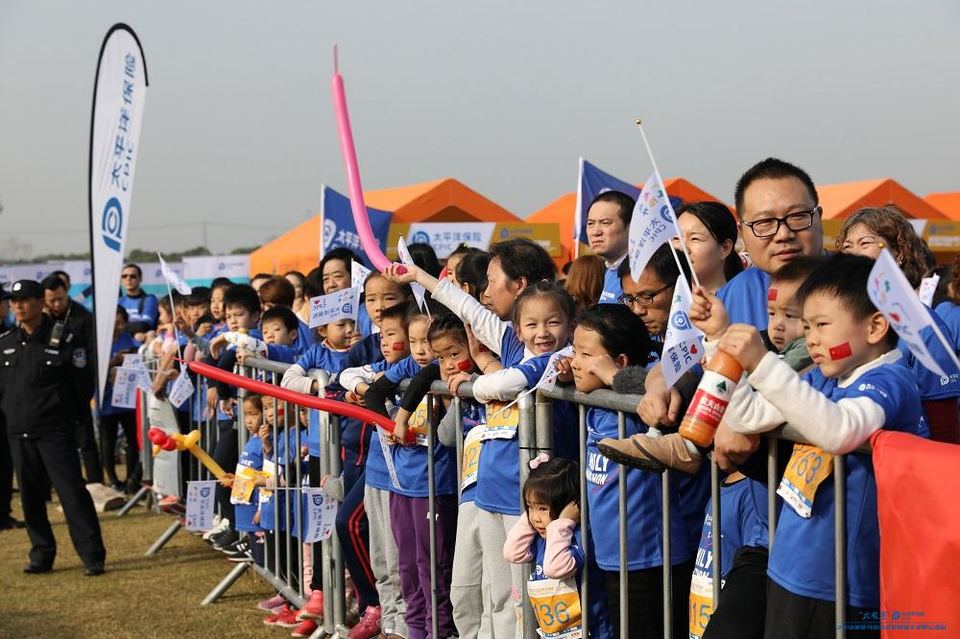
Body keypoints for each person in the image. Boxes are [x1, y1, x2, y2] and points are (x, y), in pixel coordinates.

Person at [716, 254, 928, 639]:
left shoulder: (891, 380)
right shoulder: (825, 376)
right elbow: (746, 416)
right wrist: (720, 341)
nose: (810, 338)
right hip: (789, 567)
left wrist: (762, 364)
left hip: (837, 584)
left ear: (876, 326)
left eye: (822, 325)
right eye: (807, 325)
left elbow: (839, 431)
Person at [569, 304, 692, 638]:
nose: (575, 362)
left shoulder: (638, 403)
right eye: (574, 351)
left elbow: (659, 387)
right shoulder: (596, 401)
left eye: (585, 354)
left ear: (620, 362)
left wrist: (613, 377)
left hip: (651, 561)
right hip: (615, 558)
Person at [0, 280, 106, 575]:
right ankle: (41, 554)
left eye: (24, 300)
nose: (18, 306)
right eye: (14, 301)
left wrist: (68, 419)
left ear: (40, 303)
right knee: (31, 499)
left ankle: (92, 556)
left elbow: (81, 386)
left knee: (72, 495)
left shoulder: (65, 339)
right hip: (19, 432)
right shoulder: (5, 342)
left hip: (55, 432)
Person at [837, 206, 960, 444]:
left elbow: (944, 418)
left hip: (908, 457)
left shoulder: (922, 324)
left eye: (865, 243)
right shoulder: (838, 319)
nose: (853, 253)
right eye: (847, 246)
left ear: (898, 254)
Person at [503, 456, 613, 639]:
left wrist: (562, 522)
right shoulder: (545, 536)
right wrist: (531, 515)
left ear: (567, 508)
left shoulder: (579, 536)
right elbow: (512, 552)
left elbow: (555, 568)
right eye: (530, 507)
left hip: (590, 631)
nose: (535, 518)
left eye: (543, 509)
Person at [42, 274, 102, 484]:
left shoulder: (82, 317)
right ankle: (60, 482)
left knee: (86, 439)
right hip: (49, 391)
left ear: (66, 293)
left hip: (77, 388)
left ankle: (95, 482)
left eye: (60, 299)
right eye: (51, 301)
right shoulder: (40, 320)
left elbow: (92, 353)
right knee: (54, 442)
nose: (57, 304)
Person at [99, 306, 142, 493]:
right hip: (106, 400)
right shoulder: (99, 341)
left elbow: (140, 358)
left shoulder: (129, 340)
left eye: (120, 323)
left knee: (132, 439)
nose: (117, 327)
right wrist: (113, 362)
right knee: (107, 441)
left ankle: (131, 478)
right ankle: (113, 480)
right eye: (113, 323)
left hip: (127, 398)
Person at [675, 201, 743, 292]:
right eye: (676, 238)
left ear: (725, 248)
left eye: (695, 238)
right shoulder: (665, 298)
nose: (682, 248)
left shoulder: (741, 297)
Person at [585, 190, 635, 304]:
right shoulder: (610, 270)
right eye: (591, 223)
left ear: (630, 226)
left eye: (605, 223)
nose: (595, 232)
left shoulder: (641, 274)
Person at [118, 263, 159, 338]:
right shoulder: (119, 301)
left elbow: (144, 326)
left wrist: (119, 327)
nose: (128, 279)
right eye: (124, 276)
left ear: (140, 279)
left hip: (140, 343)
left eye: (133, 276)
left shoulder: (150, 299)